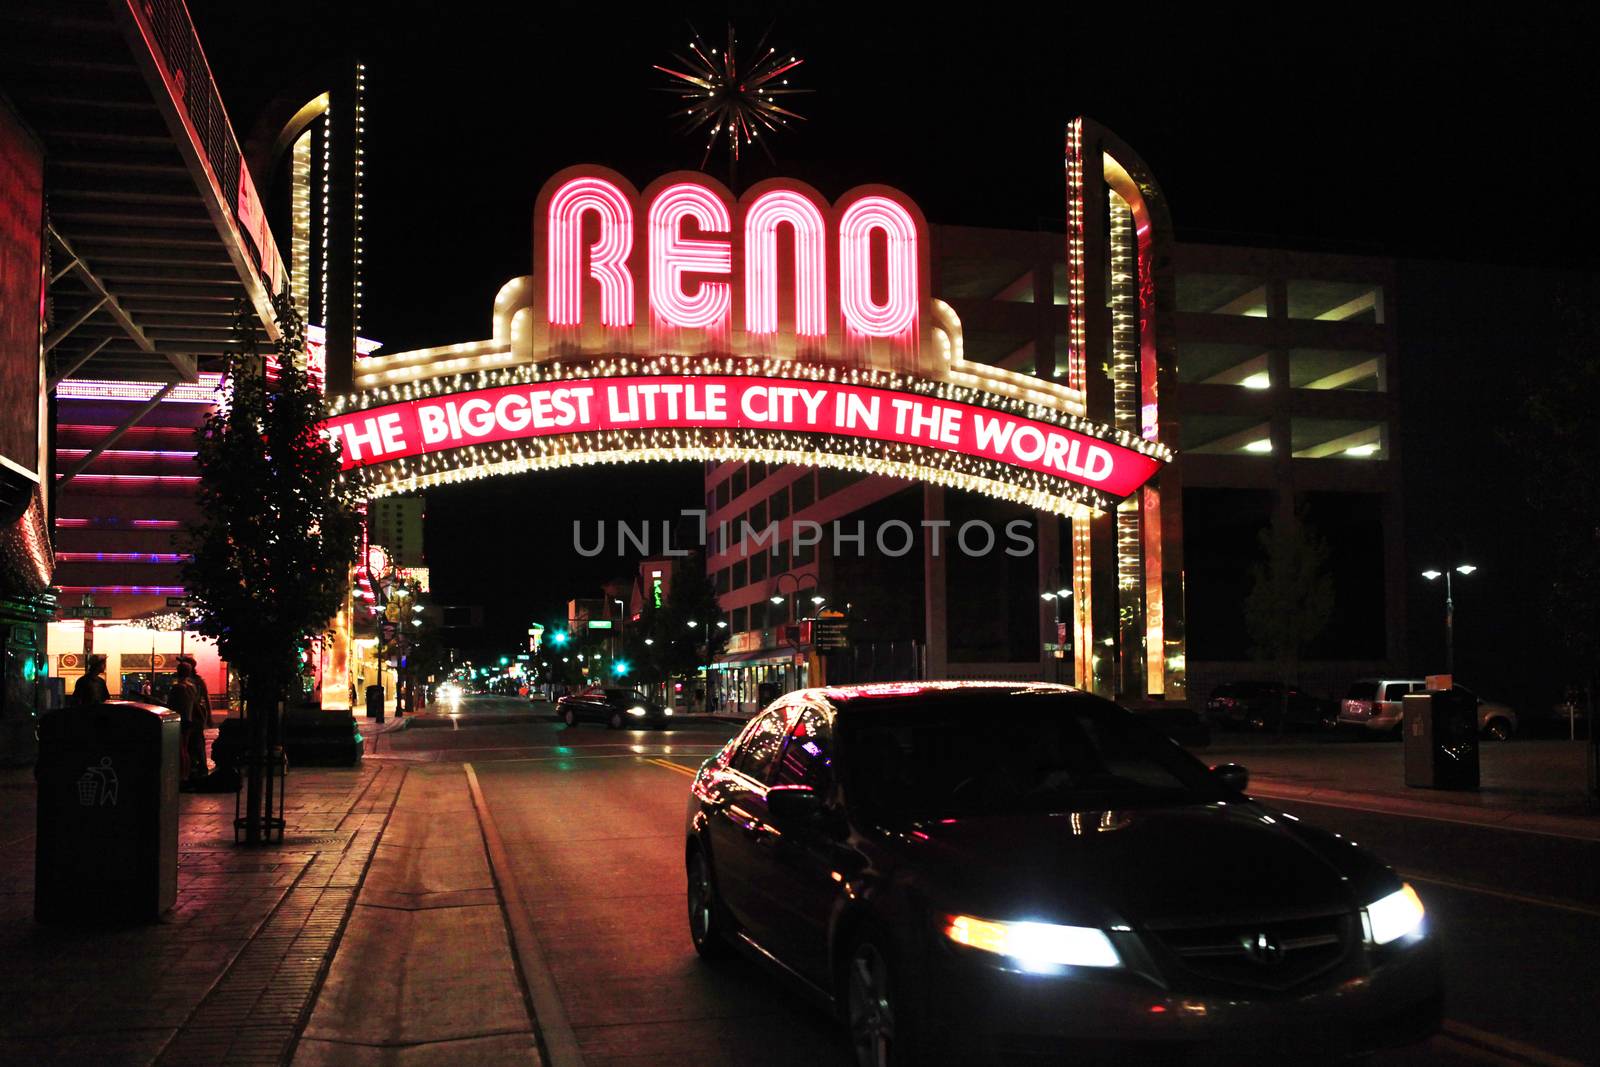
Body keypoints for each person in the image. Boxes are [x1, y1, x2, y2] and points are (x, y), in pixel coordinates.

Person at [167, 659, 203, 787]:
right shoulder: (192, 687)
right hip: (189, 719)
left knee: (180, 749)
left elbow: (170, 705)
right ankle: (185, 775)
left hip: (179, 719)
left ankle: (181, 776)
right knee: (185, 749)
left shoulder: (177, 688)